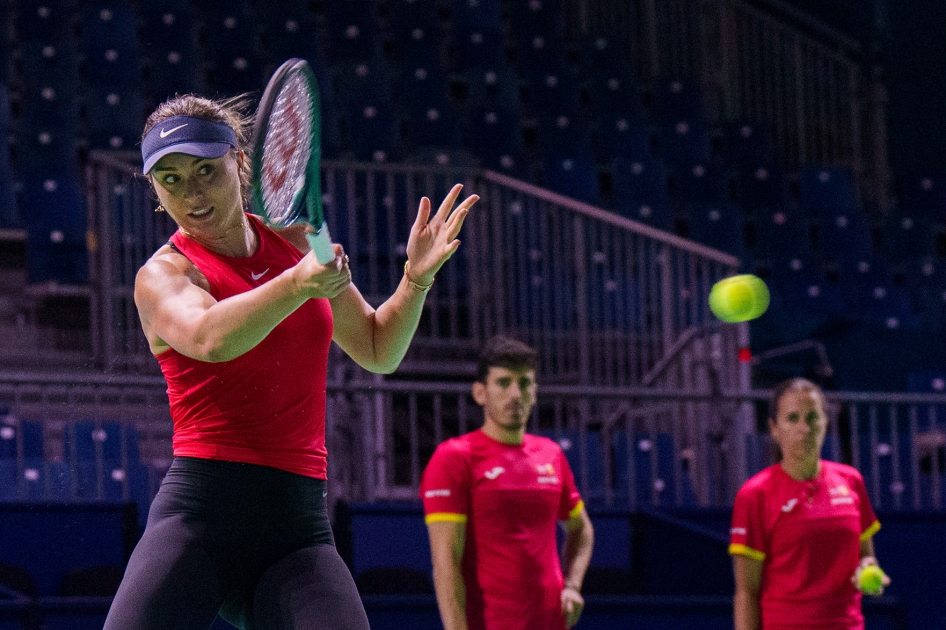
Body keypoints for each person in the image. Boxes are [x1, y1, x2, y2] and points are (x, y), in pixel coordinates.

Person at [103, 94, 478, 630]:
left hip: (296, 529)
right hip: (200, 517)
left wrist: (415, 281)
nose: (193, 192)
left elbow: (377, 349)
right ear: (156, 192)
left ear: (239, 162)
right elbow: (210, 338)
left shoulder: (299, 241)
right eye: (171, 179)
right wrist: (297, 282)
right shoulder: (164, 276)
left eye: (206, 170)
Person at [419, 336, 595, 630]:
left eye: (525, 383)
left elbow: (582, 531)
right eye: (503, 383)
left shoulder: (551, 455)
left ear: (535, 392)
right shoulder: (453, 459)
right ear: (480, 392)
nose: (516, 394)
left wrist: (573, 586)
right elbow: (446, 564)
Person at [730, 378, 891, 630]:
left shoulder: (851, 481)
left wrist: (868, 569)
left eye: (813, 417)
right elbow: (747, 593)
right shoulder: (754, 495)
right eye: (793, 418)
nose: (804, 428)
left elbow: (866, 556)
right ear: (774, 428)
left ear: (825, 422)